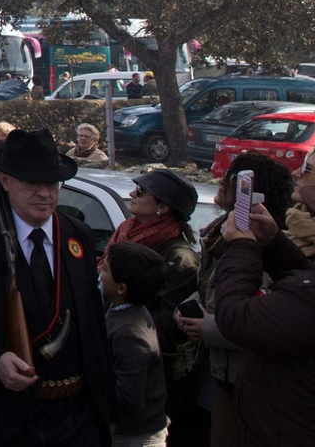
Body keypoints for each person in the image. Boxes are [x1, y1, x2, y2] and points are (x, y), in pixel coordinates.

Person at [0, 128, 112, 447]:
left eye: (51, 183)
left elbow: (92, 323)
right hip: (3, 417)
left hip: (76, 416)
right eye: (32, 182)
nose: (44, 193)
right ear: (5, 181)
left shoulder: (78, 236)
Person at [209, 167, 315, 446]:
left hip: (295, 433)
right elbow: (313, 288)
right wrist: (273, 242)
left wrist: (243, 247)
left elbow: (236, 317)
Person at [174, 153, 294, 447]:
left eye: (232, 178)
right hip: (211, 372)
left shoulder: (262, 246)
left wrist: (206, 327)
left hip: (244, 378)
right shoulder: (221, 233)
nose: (222, 182)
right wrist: (188, 306)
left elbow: (264, 320)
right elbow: (210, 287)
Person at [115, 169, 200, 442]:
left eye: (141, 192)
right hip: (120, 366)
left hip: (153, 380)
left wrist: (121, 333)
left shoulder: (180, 258)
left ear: (163, 208)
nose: (132, 194)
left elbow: (170, 327)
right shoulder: (125, 234)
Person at [101, 243, 168, 447]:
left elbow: (129, 397)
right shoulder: (121, 311)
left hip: (134, 436)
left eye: (104, 269)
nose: (99, 272)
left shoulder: (129, 332)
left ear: (121, 288)